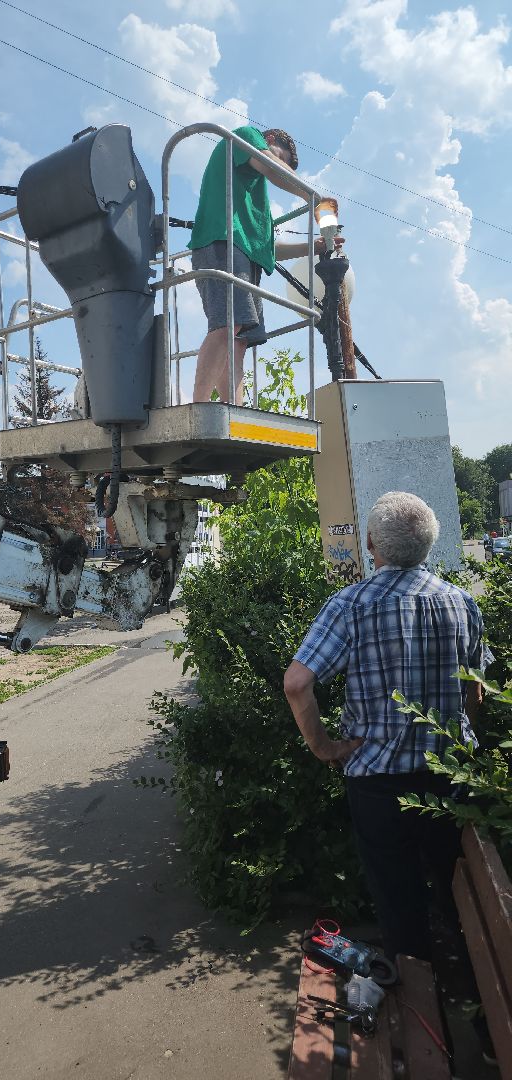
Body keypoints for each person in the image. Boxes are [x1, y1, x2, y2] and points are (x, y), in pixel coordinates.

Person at [283, 491, 493, 963]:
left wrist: (325, 748)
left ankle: (412, 986)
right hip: (451, 781)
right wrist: (463, 744)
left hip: (377, 785)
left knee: (398, 904)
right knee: (456, 891)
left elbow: (297, 684)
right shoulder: (462, 605)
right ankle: (466, 983)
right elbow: (475, 690)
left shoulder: (350, 604)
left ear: (372, 542)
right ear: (428, 545)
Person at [189, 125, 334, 405]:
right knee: (227, 325)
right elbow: (269, 165)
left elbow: (267, 248)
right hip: (222, 241)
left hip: (245, 256)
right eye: (282, 158)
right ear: (269, 141)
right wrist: (311, 197)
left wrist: (314, 246)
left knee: (240, 339)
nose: (281, 166)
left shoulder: (256, 202)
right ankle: (200, 406)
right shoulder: (246, 136)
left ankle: (234, 407)